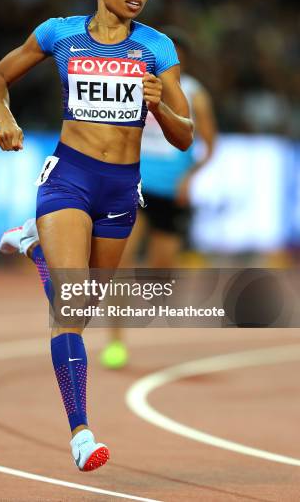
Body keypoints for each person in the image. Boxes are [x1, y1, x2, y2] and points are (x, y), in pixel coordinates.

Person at [0, 0, 193, 471]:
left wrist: (160, 108)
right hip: (69, 178)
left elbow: (187, 133)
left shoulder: (156, 46)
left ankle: (34, 247)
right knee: (69, 315)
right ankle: (81, 433)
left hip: (121, 189)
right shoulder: (60, 34)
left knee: (84, 306)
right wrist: (5, 121)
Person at [100, 27, 217, 369]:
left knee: (161, 270)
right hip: (132, 184)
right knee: (118, 262)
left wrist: (190, 177)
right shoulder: (132, 84)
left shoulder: (194, 94)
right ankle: (116, 341)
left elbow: (211, 143)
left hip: (171, 190)